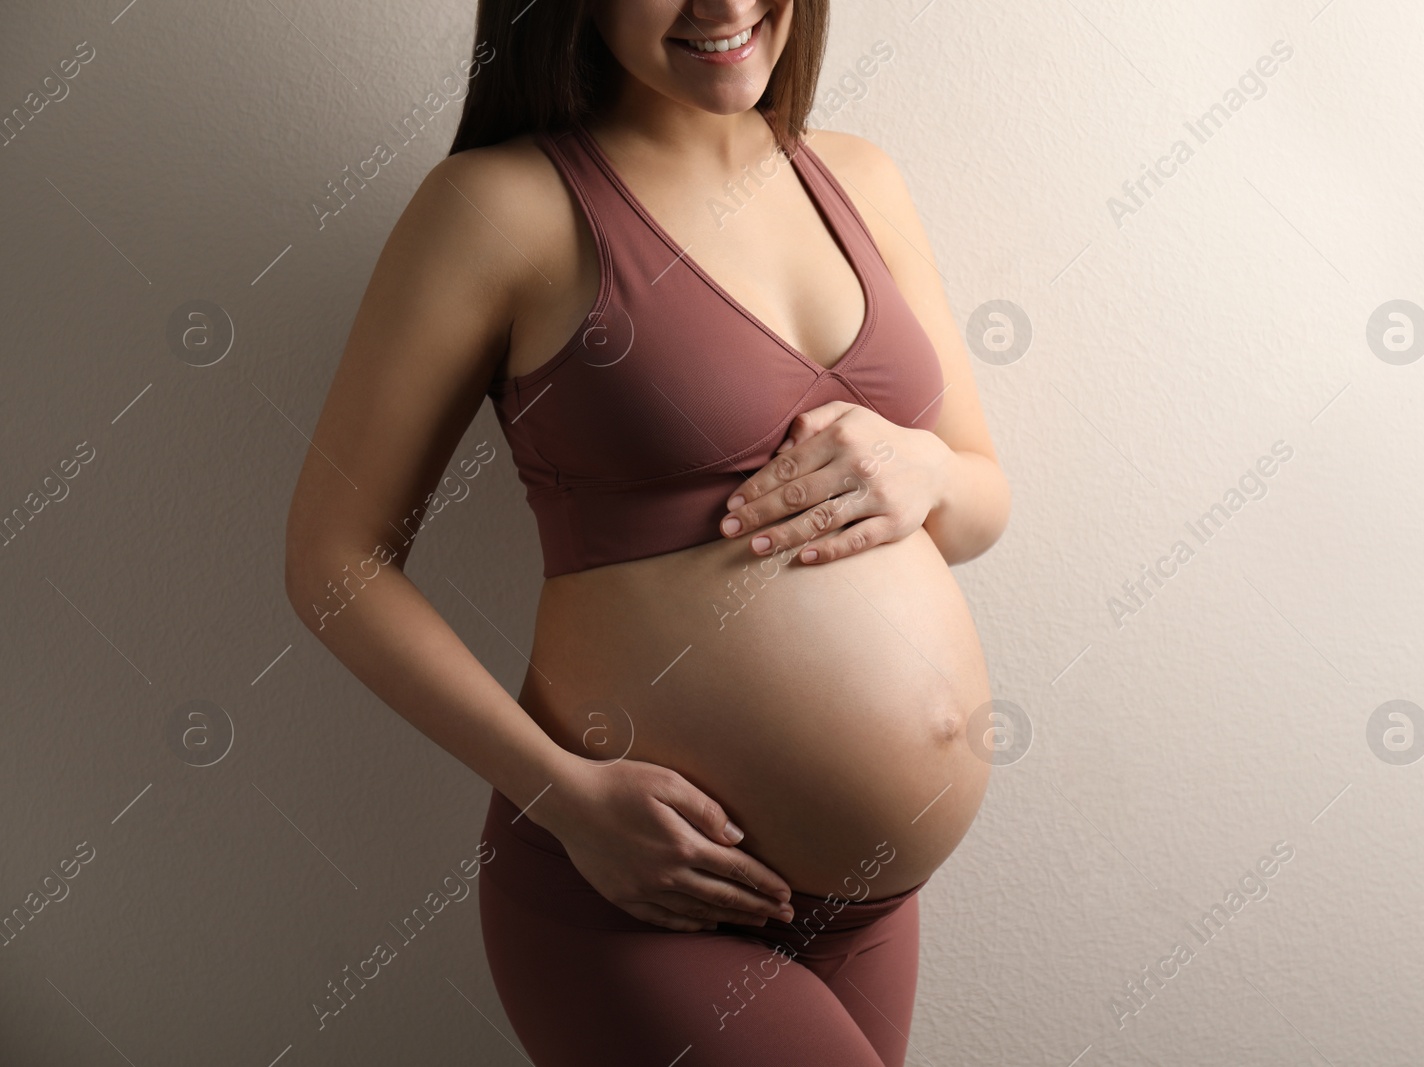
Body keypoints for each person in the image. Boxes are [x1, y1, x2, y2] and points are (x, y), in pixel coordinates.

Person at [283, 1, 1010, 1063]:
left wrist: (927, 467)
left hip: (868, 911)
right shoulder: (500, 208)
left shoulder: (858, 177)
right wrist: (563, 796)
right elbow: (331, 561)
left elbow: (981, 499)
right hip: (633, 895)